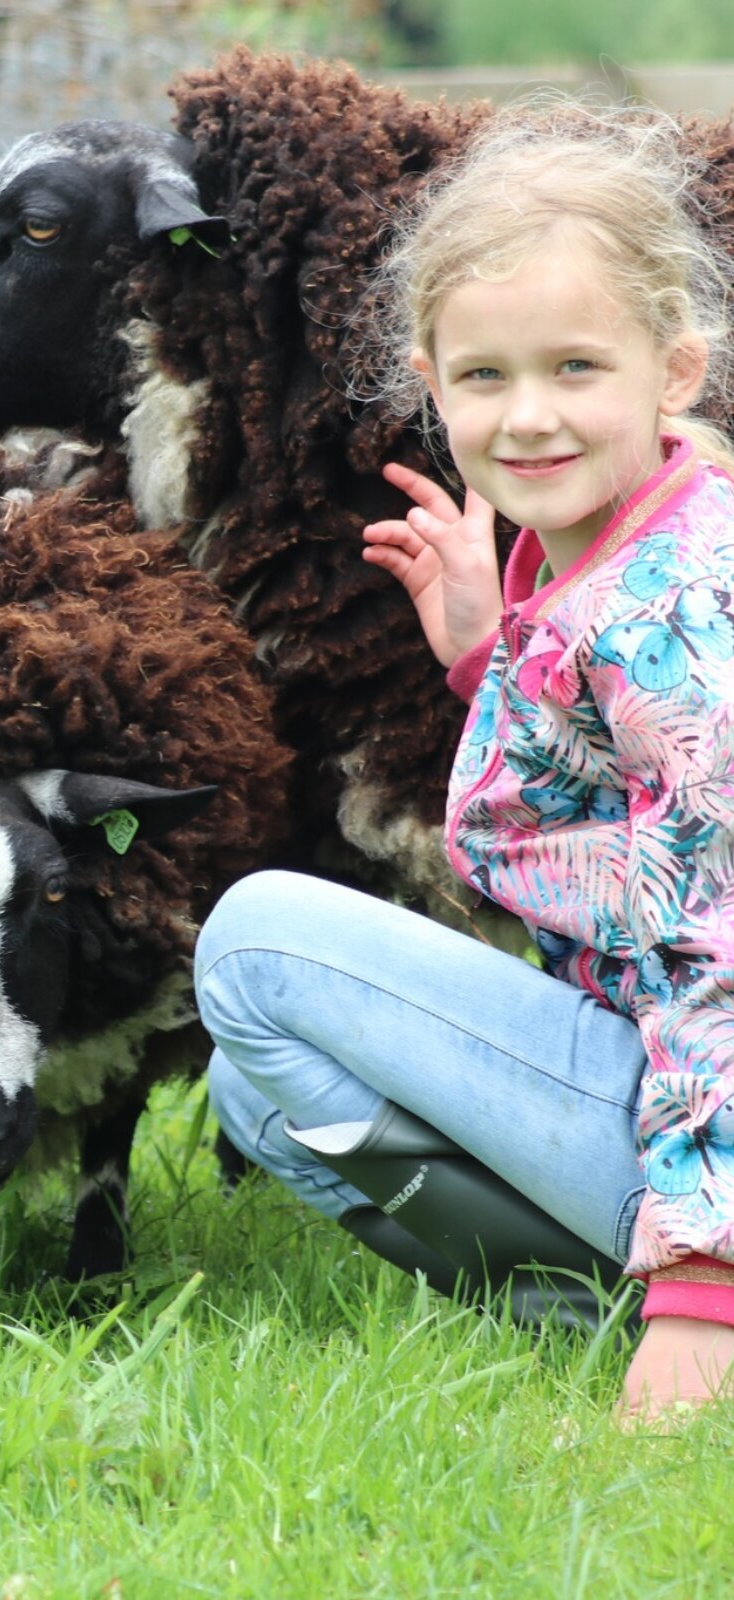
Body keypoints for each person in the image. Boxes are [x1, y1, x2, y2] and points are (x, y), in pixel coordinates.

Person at [193, 102, 734, 1425]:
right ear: (430, 383)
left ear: (674, 371)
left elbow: (717, 956)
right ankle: (590, 1316)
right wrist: (496, 658)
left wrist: (702, 1284)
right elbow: (608, 815)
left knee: (256, 945)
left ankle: (682, 1313)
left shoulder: (676, 621)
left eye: (575, 368)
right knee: (257, 1093)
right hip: (645, 1063)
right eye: (486, 376)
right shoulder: (621, 556)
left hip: (704, 1099)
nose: (529, 415)